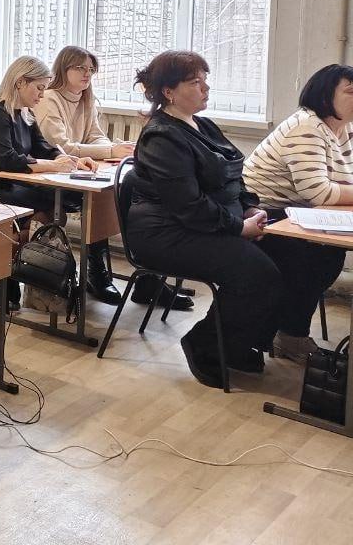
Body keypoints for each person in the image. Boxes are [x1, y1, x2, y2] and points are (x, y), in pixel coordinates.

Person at [126, 51, 334, 388]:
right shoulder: (161, 136)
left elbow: (234, 176)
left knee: (300, 251)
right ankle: (205, 343)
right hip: (166, 233)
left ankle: (240, 342)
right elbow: (188, 205)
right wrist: (239, 227)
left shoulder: (203, 124)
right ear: (169, 92)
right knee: (257, 274)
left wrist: (249, 208)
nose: (206, 88)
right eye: (195, 82)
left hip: (208, 223)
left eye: (205, 80)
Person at [242, 63, 351, 360]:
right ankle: (288, 335)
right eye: (351, 92)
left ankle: (290, 333)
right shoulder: (307, 126)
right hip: (262, 213)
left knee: (329, 254)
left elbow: (341, 182)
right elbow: (319, 192)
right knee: (315, 257)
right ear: (325, 96)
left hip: (298, 211)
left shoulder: (343, 127)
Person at [0, 56, 90, 312]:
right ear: (20, 82)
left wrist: (69, 160)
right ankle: (4, 266)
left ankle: (26, 266)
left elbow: (43, 147)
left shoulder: (25, 114)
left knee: (59, 205)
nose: (42, 94)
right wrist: (53, 166)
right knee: (52, 203)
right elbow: (8, 160)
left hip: (14, 185)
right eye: (39, 87)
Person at [34, 46, 135, 306]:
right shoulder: (49, 98)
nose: (87, 73)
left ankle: (145, 274)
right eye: (80, 68)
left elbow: (95, 136)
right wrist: (109, 150)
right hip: (52, 176)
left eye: (91, 69)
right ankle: (95, 272)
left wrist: (112, 152)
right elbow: (60, 146)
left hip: (77, 169)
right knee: (99, 201)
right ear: (64, 68)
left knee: (126, 191)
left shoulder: (86, 98)